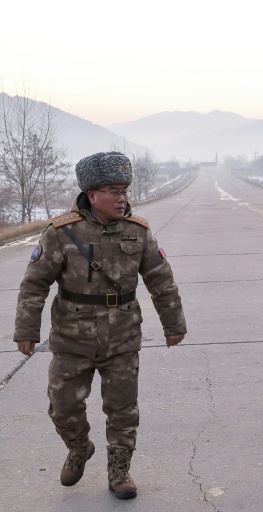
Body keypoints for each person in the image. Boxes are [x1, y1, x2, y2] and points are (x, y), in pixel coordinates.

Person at [14, 151, 186, 499]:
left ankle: (119, 470)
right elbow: (35, 283)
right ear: (92, 195)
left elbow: (161, 279)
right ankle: (78, 447)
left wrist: (173, 323)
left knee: (123, 409)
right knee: (63, 406)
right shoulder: (62, 232)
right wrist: (26, 330)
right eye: (113, 191)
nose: (122, 198)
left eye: (124, 190)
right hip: (71, 337)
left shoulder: (137, 232)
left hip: (122, 335)